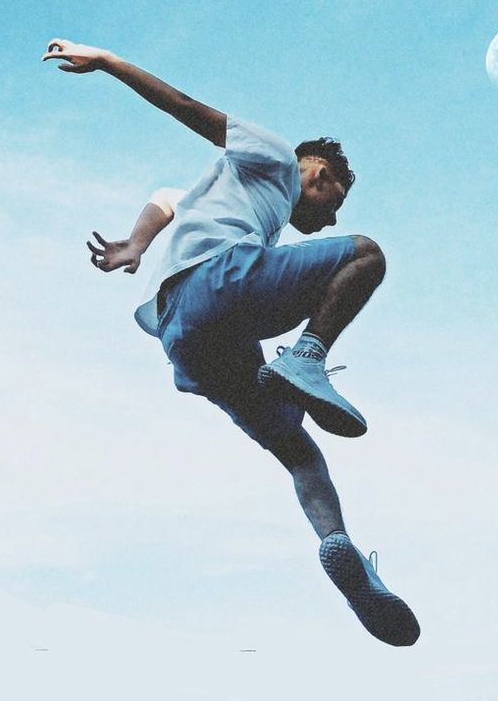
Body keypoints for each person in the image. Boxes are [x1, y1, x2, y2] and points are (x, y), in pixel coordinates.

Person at [42, 38, 420, 646]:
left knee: (297, 447)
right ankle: (307, 356)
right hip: (220, 283)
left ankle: (340, 548)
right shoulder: (271, 154)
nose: (327, 219)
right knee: (366, 255)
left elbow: (166, 198)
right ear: (318, 174)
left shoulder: (233, 195)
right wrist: (109, 63)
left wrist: (137, 246)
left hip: (185, 336)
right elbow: (186, 107)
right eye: (333, 202)